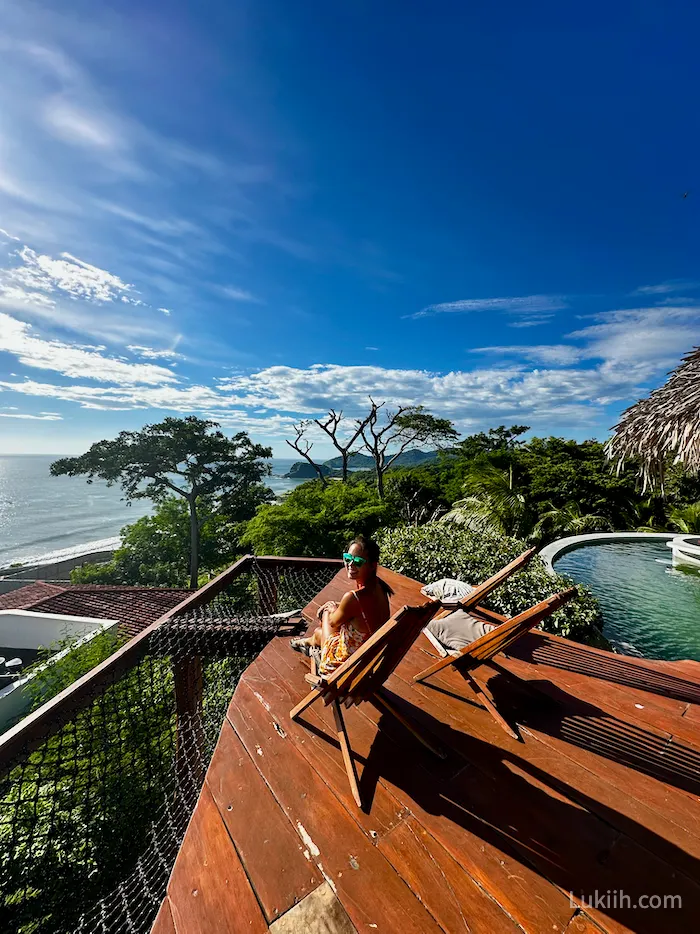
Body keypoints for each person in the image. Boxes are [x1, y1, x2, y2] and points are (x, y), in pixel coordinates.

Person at [291, 535, 394, 675]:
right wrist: (338, 606)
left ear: (372, 565)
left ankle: (311, 641)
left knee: (327, 614)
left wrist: (330, 607)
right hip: (366, 657)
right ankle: (309, 641)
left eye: (357, 561)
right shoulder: (380, 587)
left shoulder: (353, 598)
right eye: (347, 558)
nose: (350, 564)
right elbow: (360, 609)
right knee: (322, 628)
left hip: (345, 664)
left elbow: (333, 623)